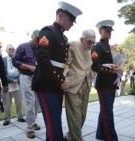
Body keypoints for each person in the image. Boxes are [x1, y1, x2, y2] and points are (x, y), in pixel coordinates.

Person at [32, 1, 82, 141]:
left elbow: (61, 63)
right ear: (60, 15)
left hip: (55, 85)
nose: (72, 23)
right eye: (71, 19)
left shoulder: (62, 36)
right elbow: (42, 60)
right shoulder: (47, 32)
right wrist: (61, 79)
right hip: (45, 84)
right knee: (54, 122)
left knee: (54, 119)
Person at [91, 19, 122, 141]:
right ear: (100, 31)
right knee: (107, 112)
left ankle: (100, 134)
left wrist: (118, 69)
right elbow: (95, 66)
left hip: (111, 83)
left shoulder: (110, 47)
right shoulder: (97, 46)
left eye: (110, 30)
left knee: (105, 110)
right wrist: (111, 70)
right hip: (103, 83)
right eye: (107, 30)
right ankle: (111, 138)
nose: (109, 32)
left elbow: (114, 63)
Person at [63, 29, 96, 141]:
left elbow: (89, 66)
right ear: (81, 39)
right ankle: (77, 139)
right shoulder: (73, 45)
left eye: (93, 42)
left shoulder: (89, 50)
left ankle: (70, 136)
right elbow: (66, 64)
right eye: (89, 42)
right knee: (74, 116)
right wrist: (64, 78)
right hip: (73, 85)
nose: (91, 45)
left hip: (86, 85)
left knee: (82, 115)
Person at [12, 30, 41, 139]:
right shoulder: (23, 46)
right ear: (32, 36)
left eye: (40, 40)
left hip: (38, 78)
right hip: (26, 76)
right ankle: (29, 128)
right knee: (30, 102)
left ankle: (32, 122)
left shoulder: (41, 48)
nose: (38, 42)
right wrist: (29, 67)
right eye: (36, 39)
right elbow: (14, 61)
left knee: (37, 102)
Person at [2, 44, 25, 126]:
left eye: (13, 49)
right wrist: (11, 80)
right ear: (6, 51)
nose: (12, 50)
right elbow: (2, 73)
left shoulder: (18, 59)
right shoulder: (3, 60)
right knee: (7, 103)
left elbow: (21, 70)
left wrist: (17, 80)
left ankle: (20, 116)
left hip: (17, 84)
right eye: (10, 49)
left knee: (19, 101)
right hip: (7, 84)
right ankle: (7, 119)